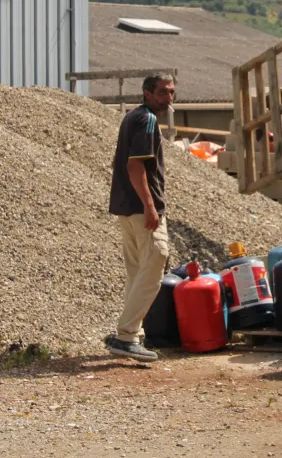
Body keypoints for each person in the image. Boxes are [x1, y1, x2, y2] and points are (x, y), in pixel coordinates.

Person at [104, 73, 176, 363]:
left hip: (126, 207)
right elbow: (136, 167)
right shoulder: (146, 120)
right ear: (147, 93)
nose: (168, 98)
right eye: (162, 92)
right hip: (140, 207)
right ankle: (126, 334)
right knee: (157, 257)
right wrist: (150, 206)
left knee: (136, 271)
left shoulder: (132, 117)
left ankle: (131, 336)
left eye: (171, 92)